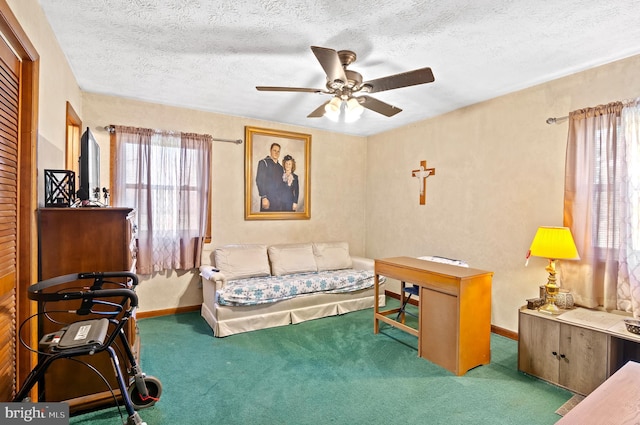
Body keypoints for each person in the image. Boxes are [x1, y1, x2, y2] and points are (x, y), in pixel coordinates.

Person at [255, 143, 284, 211]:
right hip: (268, 199)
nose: (276, 153)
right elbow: (259, 180)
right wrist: (264, 197)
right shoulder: (264, 163)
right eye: (274, 150)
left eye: (278, 151)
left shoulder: (280, 168)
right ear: (270, 151)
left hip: (279, 201)